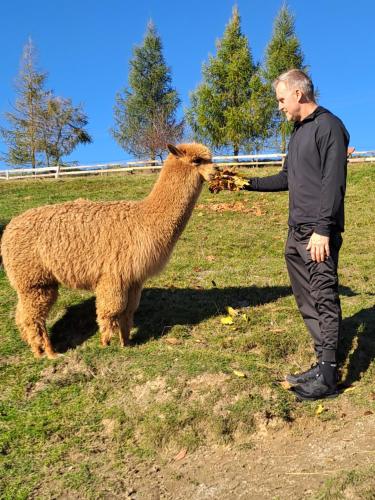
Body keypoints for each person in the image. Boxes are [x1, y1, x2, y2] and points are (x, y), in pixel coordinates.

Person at [244, 69, 350, 401]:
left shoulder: (329, 127)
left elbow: (334, 183)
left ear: (298, 94)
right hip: (296, 234)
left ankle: (329, 377)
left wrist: (323, 230)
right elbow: (285, 178)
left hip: (318, 234)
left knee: (324, 297)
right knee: (307, 300)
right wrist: (244, 182)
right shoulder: (298, 132)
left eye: (280, 99)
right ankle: (322, 363)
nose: (280, 107)